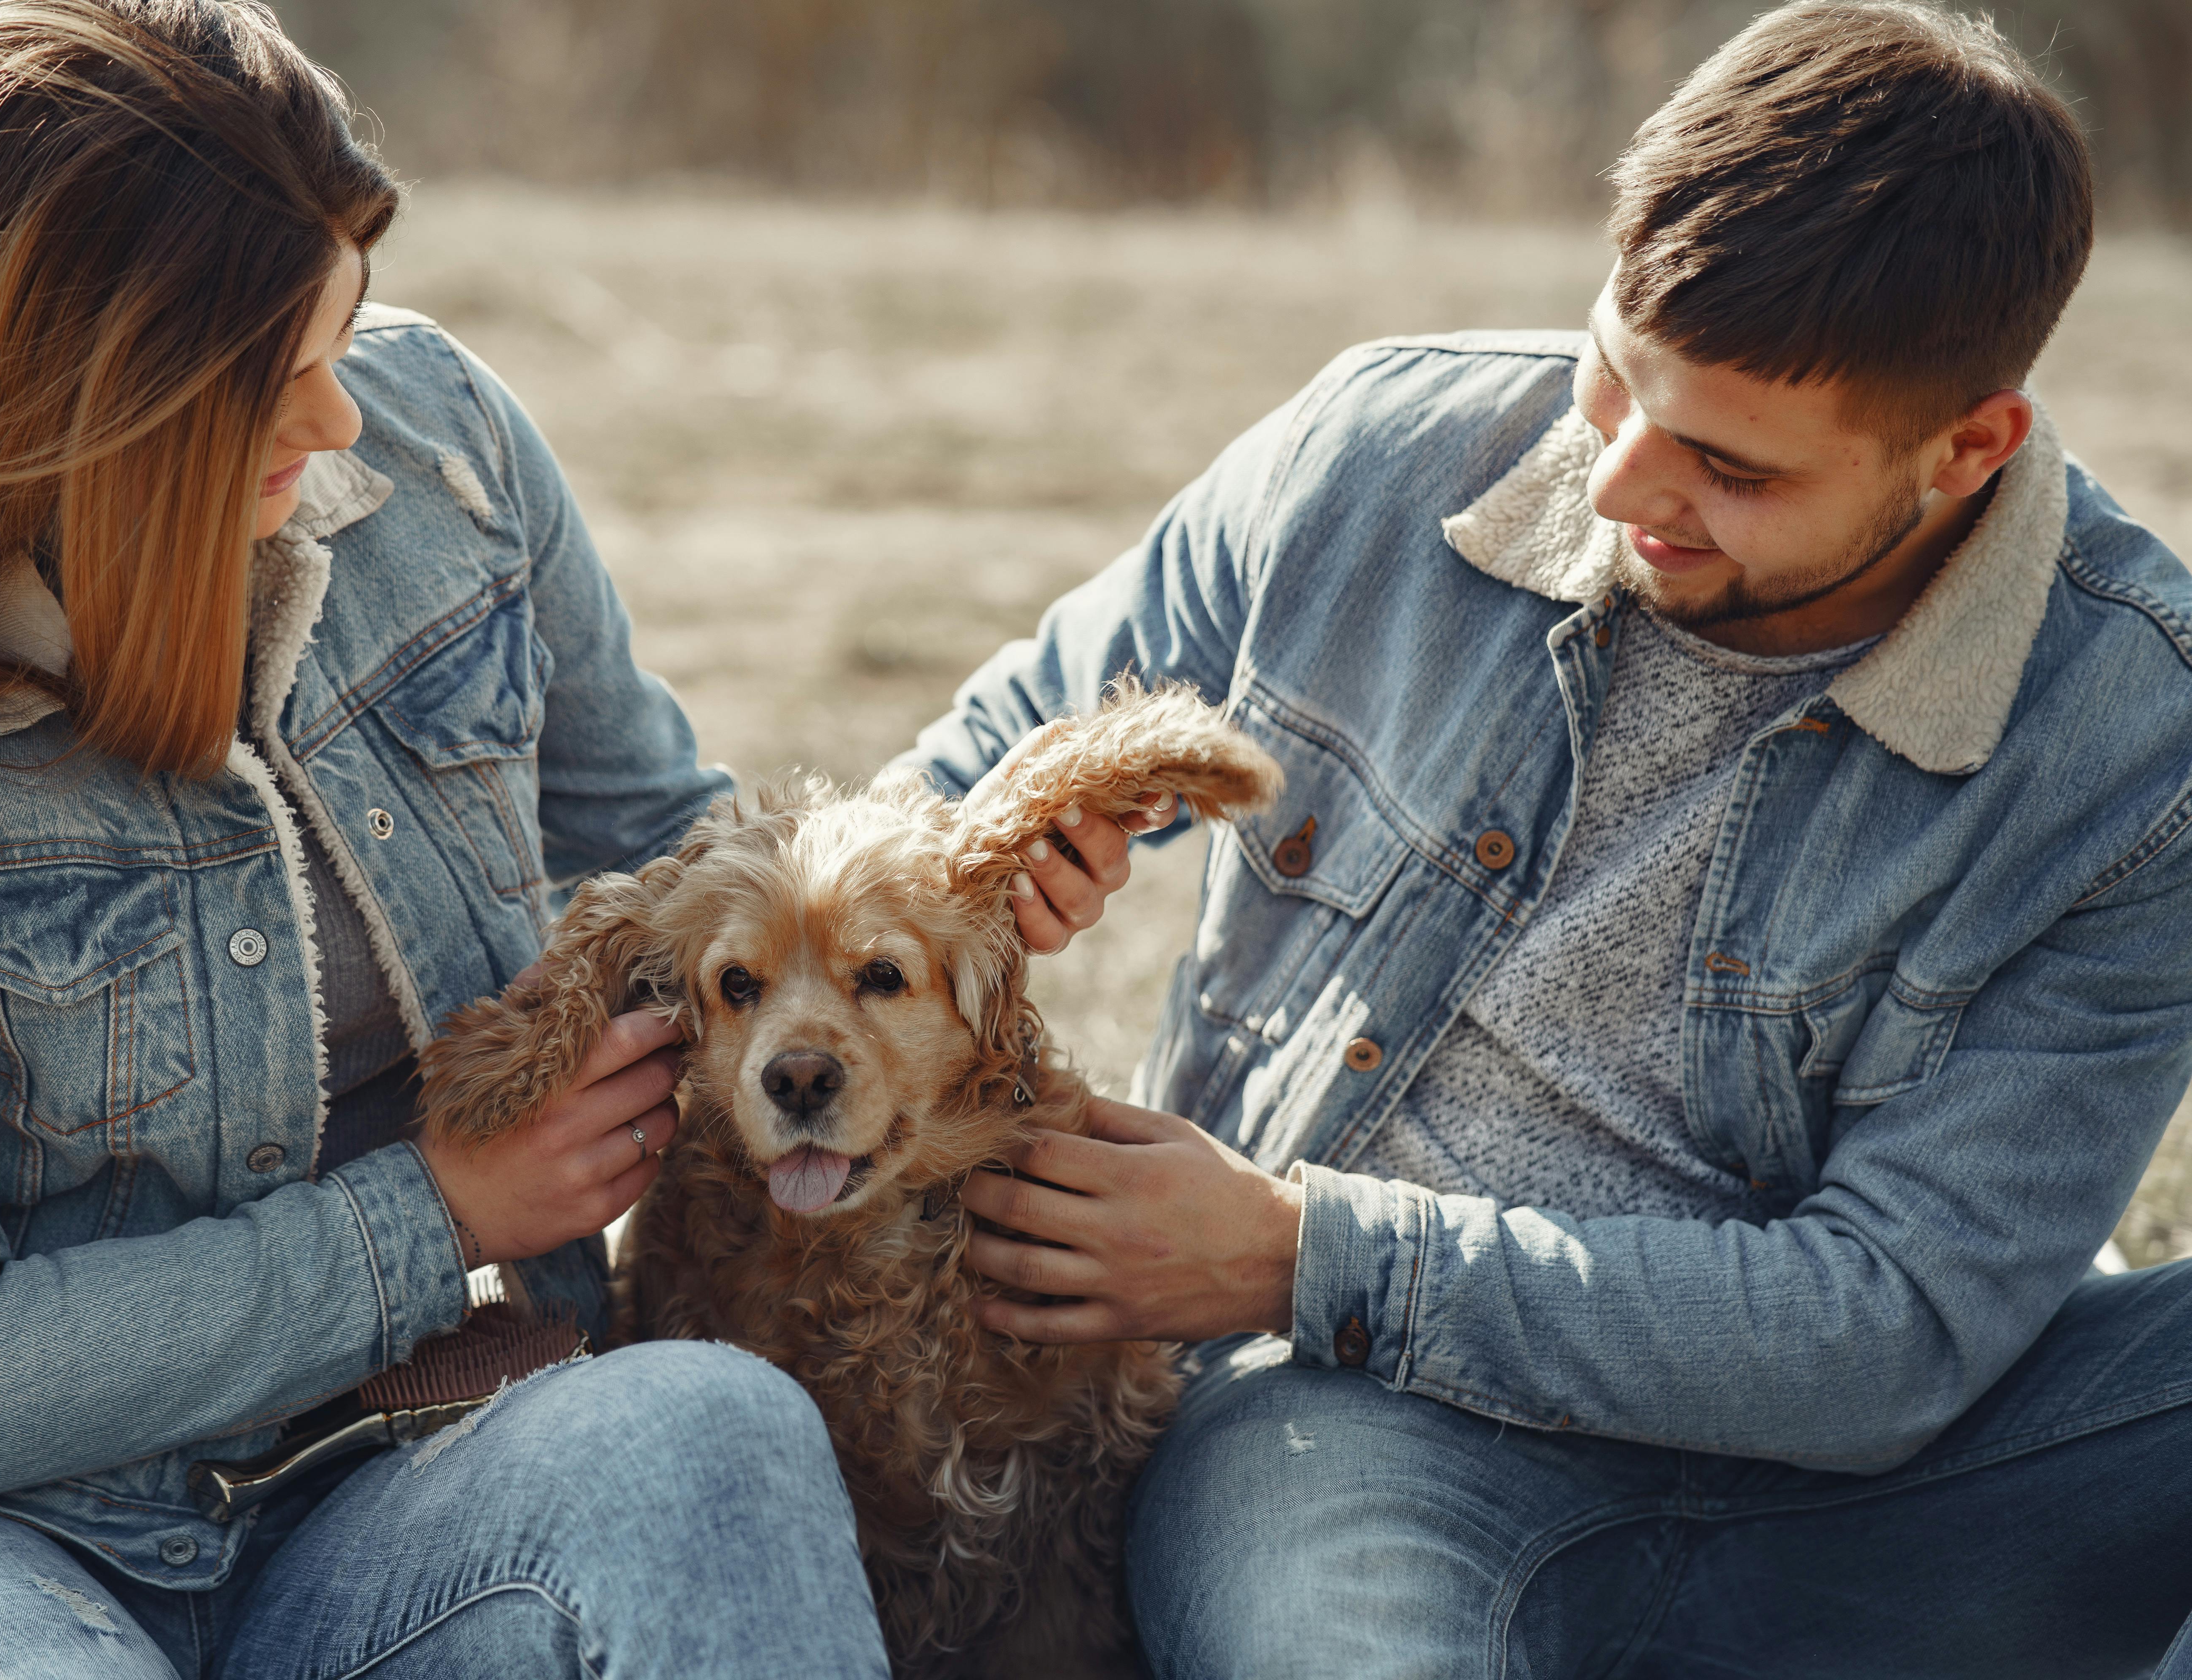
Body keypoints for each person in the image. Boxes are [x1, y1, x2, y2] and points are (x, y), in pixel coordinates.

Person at [901, 2, 2192, 1672]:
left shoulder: (2138, 740)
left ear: (1966, 448)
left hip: (1902, 1487)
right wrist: (978, 877)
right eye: (1614, 373)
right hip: (1343, 1432)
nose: (1621, 484)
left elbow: (1898, 1329)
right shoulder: (1365, 460)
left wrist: (1310, 1250)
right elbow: (945, 785)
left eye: (1729, 466)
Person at [0, 2, 891, 1675]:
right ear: (79, 412)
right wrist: (436, 1213)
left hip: (406, 1484)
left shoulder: (442, 448)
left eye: (347, 335)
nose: (341, 421)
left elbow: (689, 856)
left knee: (716, 1443)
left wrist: (933, 906)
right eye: (275, 383)